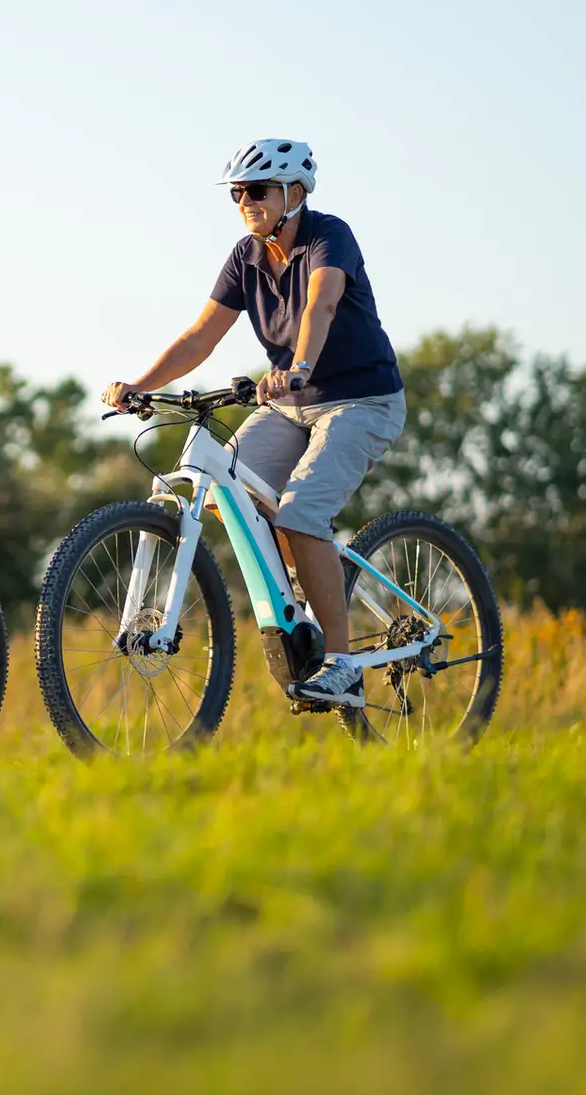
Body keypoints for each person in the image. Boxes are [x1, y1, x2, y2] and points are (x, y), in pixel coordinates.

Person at [101, 139, 405, 707]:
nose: (246, 202)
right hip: (289, 405)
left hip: (361, 400)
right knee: (224, 495)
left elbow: (320, 306)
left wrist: (299, 367)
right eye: (237, 193)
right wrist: (141, 385)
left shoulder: (328, 236)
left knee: (301, 512)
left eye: (258, 191)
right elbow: (200, 336)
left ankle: (341, 664)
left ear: (294, 194)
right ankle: (307, 586)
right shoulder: (246, 257)